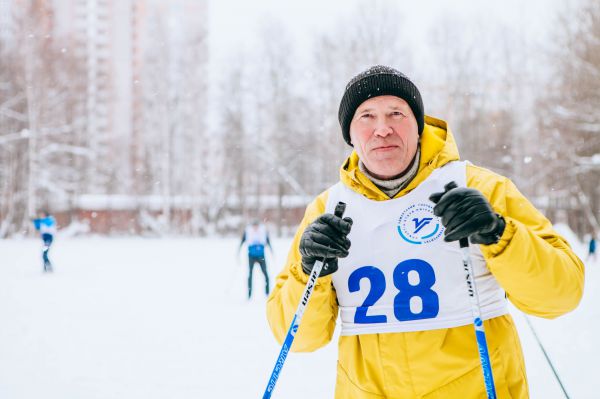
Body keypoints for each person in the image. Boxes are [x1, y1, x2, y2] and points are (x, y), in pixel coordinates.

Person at [266, 65, 584, 398]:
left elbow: (561, 295)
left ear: (418, 125)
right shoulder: (329, 209)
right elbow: (297, 338)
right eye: (366, 117)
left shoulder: (479, 188)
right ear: (350, 134)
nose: (383, 129)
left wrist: (500, 234)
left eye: (396, 113)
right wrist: (309, 272)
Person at [239, 219, 273, 299]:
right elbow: (242, 241)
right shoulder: (248, 231)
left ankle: (267, 293)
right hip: (251, 256)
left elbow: (268, 242)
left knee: (266, 274)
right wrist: (239, 251)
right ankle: (249, 294)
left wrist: (272, 251)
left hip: (261, 256)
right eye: (254, 226)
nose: (255, 228)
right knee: (250, 275)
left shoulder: (263, 231)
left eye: (256, 226)